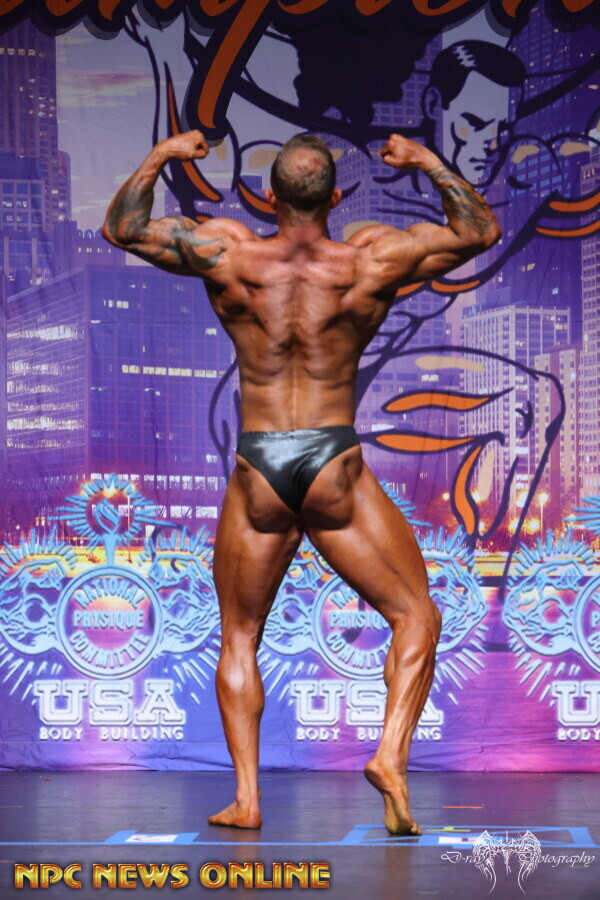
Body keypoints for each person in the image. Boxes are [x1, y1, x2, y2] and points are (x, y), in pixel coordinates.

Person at [102, 130, 501, 835]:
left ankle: (247, 799)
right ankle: (390, 757)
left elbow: (123, 228)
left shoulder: (229, 254)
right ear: (336, 197)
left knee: (239, 635)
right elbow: (479, 230)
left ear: (269, 196)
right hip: (331, 461)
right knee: (417, 617)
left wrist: (162, 156)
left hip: (260, 464)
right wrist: (426, 162)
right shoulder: (370, 259)